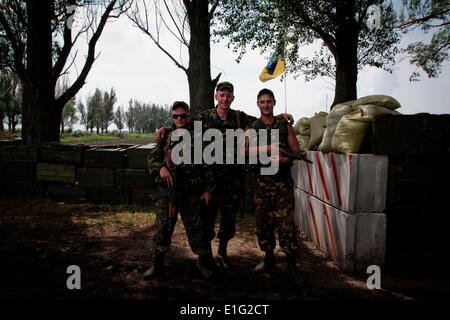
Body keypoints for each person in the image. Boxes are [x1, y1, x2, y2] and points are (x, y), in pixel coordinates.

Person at [155, 82, 294, 269]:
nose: (225, 99)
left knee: (229, 218)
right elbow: (182, 124)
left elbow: (262, 119)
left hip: (232, 178)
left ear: (233, 98)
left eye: (228, 96)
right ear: (216, 97)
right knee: (207, 217)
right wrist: (166, 130)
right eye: (221, 95)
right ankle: (207, 255)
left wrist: (279, 116)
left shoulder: (238, 117)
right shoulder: (204, 117)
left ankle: (222, 251)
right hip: (210, 179)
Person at [144, 101, 216, 280]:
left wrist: (208, 189)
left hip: (191, 191)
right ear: (171, 117)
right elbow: (152, 157)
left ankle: (203, 262)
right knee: (163, 227)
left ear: (188, 116)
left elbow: (208, 165)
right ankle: (157, 264)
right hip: (169, 191)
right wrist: (161, 167)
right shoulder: (166, 137)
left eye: (182, 115)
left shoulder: (198, 137)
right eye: (175, 116)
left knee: (197, 228)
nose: (179, 119)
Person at [246, 88, 302, 283]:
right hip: (261, 184)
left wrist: (283, 161)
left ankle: (291, 263)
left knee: (286, 224)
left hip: (282, 184)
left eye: (269, 101)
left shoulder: (284, 125)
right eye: (262, 102)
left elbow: (295, 150)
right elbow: (244, 151)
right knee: (263, 224)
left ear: (274, 103)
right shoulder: (253, 127)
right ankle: (268, 258)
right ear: (258, 104)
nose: (266, 105)